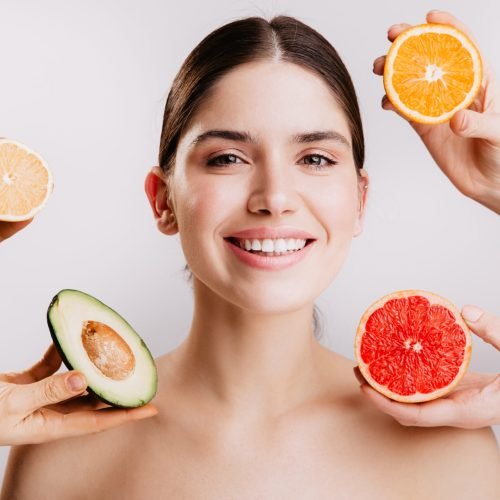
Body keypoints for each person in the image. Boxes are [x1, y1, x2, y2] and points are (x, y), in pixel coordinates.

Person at [1, 8, 499, 499]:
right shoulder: (61, 446)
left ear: (360, 200)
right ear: (163, 200)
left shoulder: (450, 445)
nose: (275, 197)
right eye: (227, 159)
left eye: (316, 158)